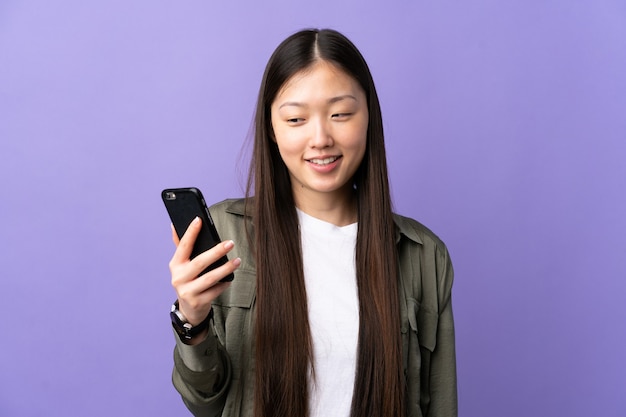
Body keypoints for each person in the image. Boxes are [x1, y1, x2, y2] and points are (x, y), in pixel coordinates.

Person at [167, 28, 457, 417]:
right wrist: (192, 321)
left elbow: (440, 404)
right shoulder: (228, 235)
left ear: (369, 116)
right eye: (296, 118)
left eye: (340, 114)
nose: (320, 138)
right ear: (271, 128)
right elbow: (205, 403)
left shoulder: (424, 255)